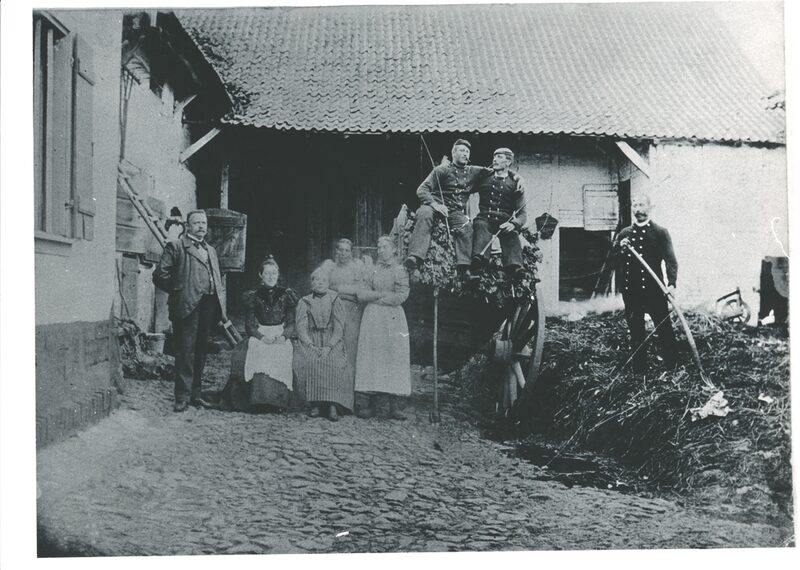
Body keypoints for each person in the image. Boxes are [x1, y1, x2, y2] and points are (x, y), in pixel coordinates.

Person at [153, 210, 225, 412]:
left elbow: (216, 277)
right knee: (185, 351)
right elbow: (160, 275)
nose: (201, 226)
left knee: (201, 350)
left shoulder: (210, 249)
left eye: (204, 223)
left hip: (208, 305)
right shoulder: (176, 246)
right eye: (196, 223)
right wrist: (179, 291)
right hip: (186, 306)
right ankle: (182, 397)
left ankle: (196, 394)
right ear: (187, 225)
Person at [220, 256, 298, 412]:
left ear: (278, 275)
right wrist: (261, 337)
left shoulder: (286, 295)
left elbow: (291, 323)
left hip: (280, 333)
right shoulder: (254, 296)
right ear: (261, 275)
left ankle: (278, 401)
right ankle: (260, 399)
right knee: (258, 350)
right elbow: (249, 325)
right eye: (267, 274)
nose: (271, 277)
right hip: (261, 333)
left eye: (274, 274)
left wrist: (283, 336)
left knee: (283, 351)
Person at [404, 139, 490, 279]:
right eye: (461, 151)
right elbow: (422, 189)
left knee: (466, 226)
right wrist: (435, 205)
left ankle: (464, 267)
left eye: (467, 152)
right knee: (424, 213)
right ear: (454, 153)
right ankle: (415, 257)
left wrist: (515, 176)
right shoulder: (441, 170)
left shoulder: (473, 171)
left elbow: (493, 172)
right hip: (435, 206)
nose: (465, 154)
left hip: (455, 211)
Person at [611, 193, 678, 371]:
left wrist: (671, 284)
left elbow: (671, 260)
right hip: (632, 293)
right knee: (636, 333)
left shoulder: (660, 232)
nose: (638, 209)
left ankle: (673, 368)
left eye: (642, 205)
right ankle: (639, 372)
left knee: (664, 329)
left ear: (650, 208)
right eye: (635, 205)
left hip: (655, 291)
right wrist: (620, 249)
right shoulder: (624, 234)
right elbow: (613, 261)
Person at [355, 236, 411, 420]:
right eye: (378, 247)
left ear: (393, 249)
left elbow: (402, 295)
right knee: (372, 357)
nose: (380, 250)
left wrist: (379, 298)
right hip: (373, 317)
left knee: (392, 356)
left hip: (392, 317)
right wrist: (380, 295)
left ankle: (394, 406)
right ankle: (369, 403)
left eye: (385, 247)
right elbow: (361, 293)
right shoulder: (371, 269)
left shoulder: (400, 270)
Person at [293, 267, 353, 421]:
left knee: (333, 361)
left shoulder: (335, 300)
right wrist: (310, 344)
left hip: (331, 340)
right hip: (311, 340)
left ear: (328, 283)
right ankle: (315, 404)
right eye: (316, 280)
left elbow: (339, 327)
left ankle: (332, 404)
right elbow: (300, 326)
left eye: (323, 280)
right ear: (312, 283)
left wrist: (329, 346)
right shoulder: (304, 301)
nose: (319, 283)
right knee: (311, 359)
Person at [471, 147, 527, 277]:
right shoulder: (484, 177)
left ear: (508, 162)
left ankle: (515, 267)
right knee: (480, 226)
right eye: (494, 156)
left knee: (512, 234)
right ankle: (480, 261)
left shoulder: (515, 185)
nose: (494, 159)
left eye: (499, 157)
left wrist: (513, 224)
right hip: (485, 218)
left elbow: (523, 214)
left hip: (504, 222)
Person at [323, 238, 365, 380]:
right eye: (340, 249)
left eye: (347, 250)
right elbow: (320, 283)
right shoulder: (330, 266)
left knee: (349, 346)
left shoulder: (357, 267)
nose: (343, 253)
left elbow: (360, 289)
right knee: (332, 344)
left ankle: (348, 390)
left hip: (352, 311)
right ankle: (332, 387)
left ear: (351, 252)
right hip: (332, 309)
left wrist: (338, 289)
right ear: (336, 251)